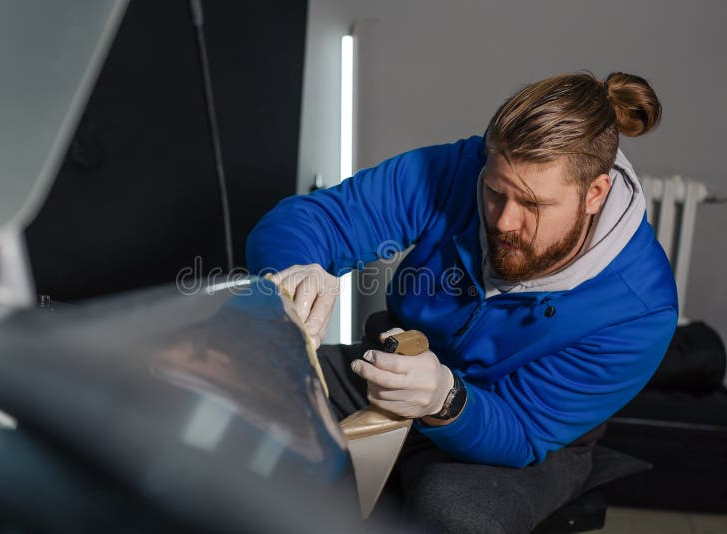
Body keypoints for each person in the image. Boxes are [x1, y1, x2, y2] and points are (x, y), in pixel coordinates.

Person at [245, 72, 678, 533]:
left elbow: (521, 430)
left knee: (453, 518)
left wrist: (442, 398)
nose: (505, 221)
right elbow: (315, 219)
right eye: (495, 193)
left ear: (595, 194)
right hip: (387, 367)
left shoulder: (640, 311)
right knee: (240, 392)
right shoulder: (460, 168)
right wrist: (295, 271)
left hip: (506, 422)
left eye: (532, 205)